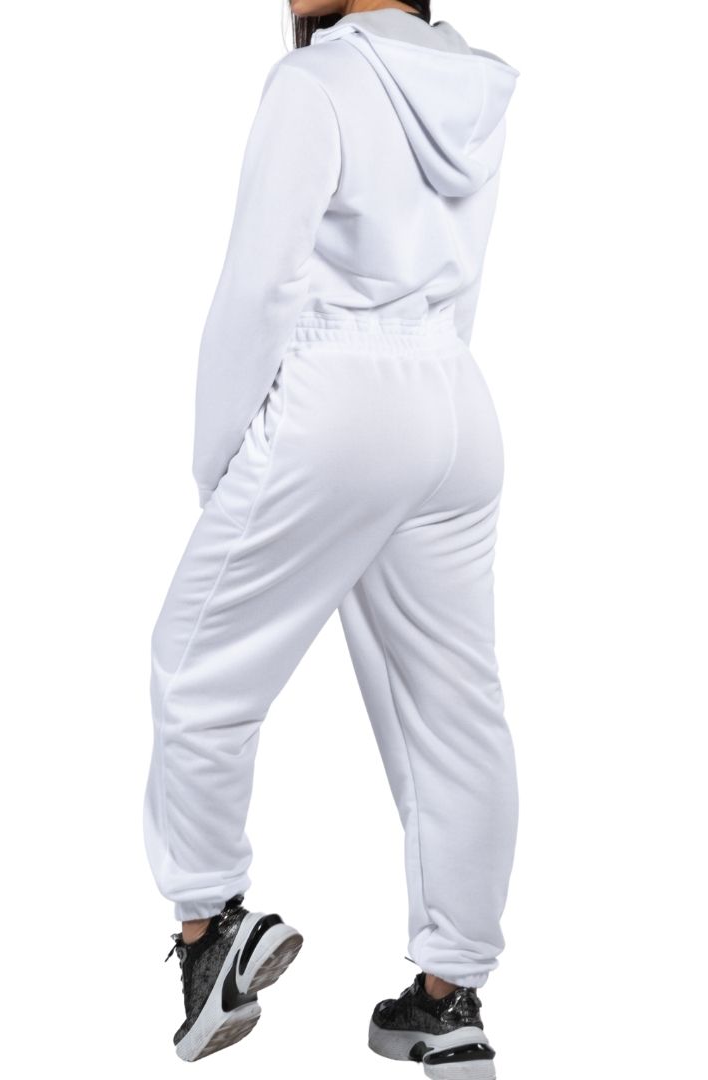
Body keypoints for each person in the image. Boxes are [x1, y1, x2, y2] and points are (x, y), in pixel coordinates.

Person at [143, 2, 520, 1075]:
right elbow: (466, 268)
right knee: (454, 709)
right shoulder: (472, 85)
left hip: (338, 394)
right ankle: (449, 996)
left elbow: (259, 287)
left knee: (196, 666)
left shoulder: (314, 85)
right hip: (454, 393)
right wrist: (424, 409)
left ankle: (211, 928)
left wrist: (222, 459)